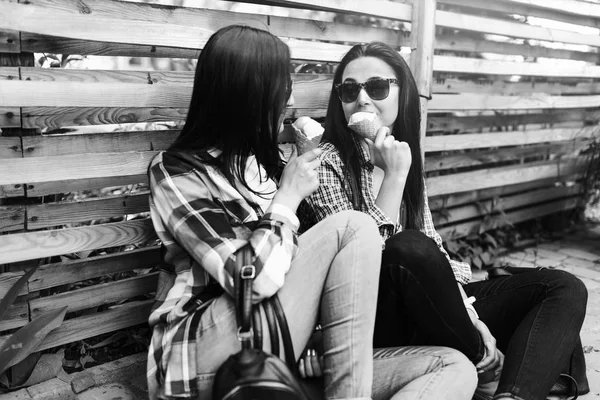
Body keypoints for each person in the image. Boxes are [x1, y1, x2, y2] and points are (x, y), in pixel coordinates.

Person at [146, 26, 478, 400]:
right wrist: (285, 202)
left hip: (290, 357)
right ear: (247, 99)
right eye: (281, 95)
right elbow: (249, 281)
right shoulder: (176, 173)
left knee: (454, 368)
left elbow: (320, 288)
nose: (287, 108)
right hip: (208, 358)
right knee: (354, 227)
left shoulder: (270, 168)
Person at [300, 41, 588, 400]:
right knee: (406, 247)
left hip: (432, 310)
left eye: (376, 87)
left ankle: (513, 393)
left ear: (401, 94)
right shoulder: (324, 166)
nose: (361, 98)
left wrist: (471, 316)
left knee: (562, 287)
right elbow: (364, 263)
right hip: (376, 319)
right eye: (349, 89)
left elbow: (433, 246)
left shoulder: (402, 150)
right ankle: (496, 364)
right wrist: (393, 177)